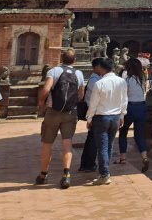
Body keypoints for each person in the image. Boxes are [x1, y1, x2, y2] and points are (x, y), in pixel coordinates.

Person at [34, 48, 86, 189]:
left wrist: (41, 103)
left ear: (61, 58)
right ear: (74, 60)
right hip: (70, 112)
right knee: (67, 143)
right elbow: (81, 95)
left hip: (53, 111)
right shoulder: (79, 74)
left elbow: (46, 89)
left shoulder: (54, 71)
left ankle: (43, 174)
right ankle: (66, 174)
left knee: (47, 143)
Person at [85, 57, 127, 185]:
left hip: (102, 117)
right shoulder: (121, 82)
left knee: (102, 146)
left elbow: (93, 104)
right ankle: (105, 171)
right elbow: (124, 100)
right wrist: (122, 115)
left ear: (102, 68)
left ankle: (104, 174)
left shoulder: (100, 83)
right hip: (115, 117)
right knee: (109, 145)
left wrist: (89, 118)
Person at [118, 57, 150, 173]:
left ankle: (123, 158)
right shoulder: (141, 79)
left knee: (123, 132)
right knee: (140, 135)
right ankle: (144, 157)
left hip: (130, 107)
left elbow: (123, 96)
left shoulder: (127, 80)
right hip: (141, 107)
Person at [76, 65, 102, 174]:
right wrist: (90, 118)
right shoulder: (95, 81)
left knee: (91, 139)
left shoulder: (96, 79)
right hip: (95, 113)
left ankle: (87, 163)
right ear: (96, 68)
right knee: (93, 141)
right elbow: (93, 101)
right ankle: (89, 164)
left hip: (94, 113)